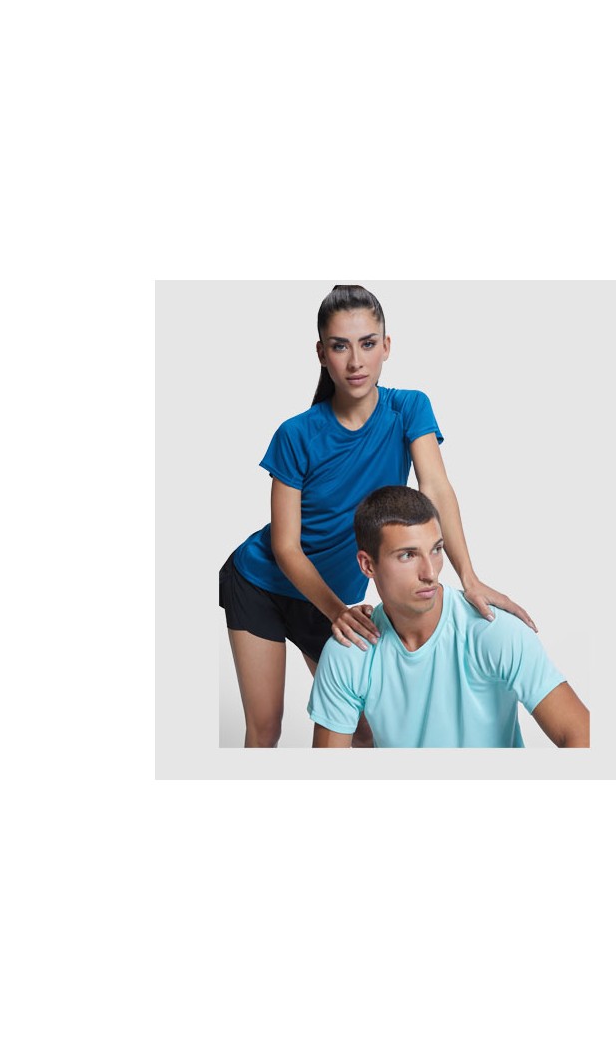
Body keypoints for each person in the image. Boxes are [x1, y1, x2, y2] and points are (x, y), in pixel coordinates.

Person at [220, 285, 535, 748]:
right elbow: (285, 547)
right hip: (262, 584)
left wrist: (469, 577)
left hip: (332, 595)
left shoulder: (408, 408)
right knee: (265, 728)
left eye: (367, 343)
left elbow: (435, 489)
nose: (355, 361)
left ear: (386, 346)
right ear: (321, 353)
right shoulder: (295, 434)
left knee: (366, 733)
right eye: (340, 346)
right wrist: (336, 612)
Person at [308, 486, 590, 748]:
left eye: (436, 549)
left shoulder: (494, 631)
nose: (430, 573)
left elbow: (581, 735)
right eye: (408, 555)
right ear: (368, 564)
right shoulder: (349, 653)